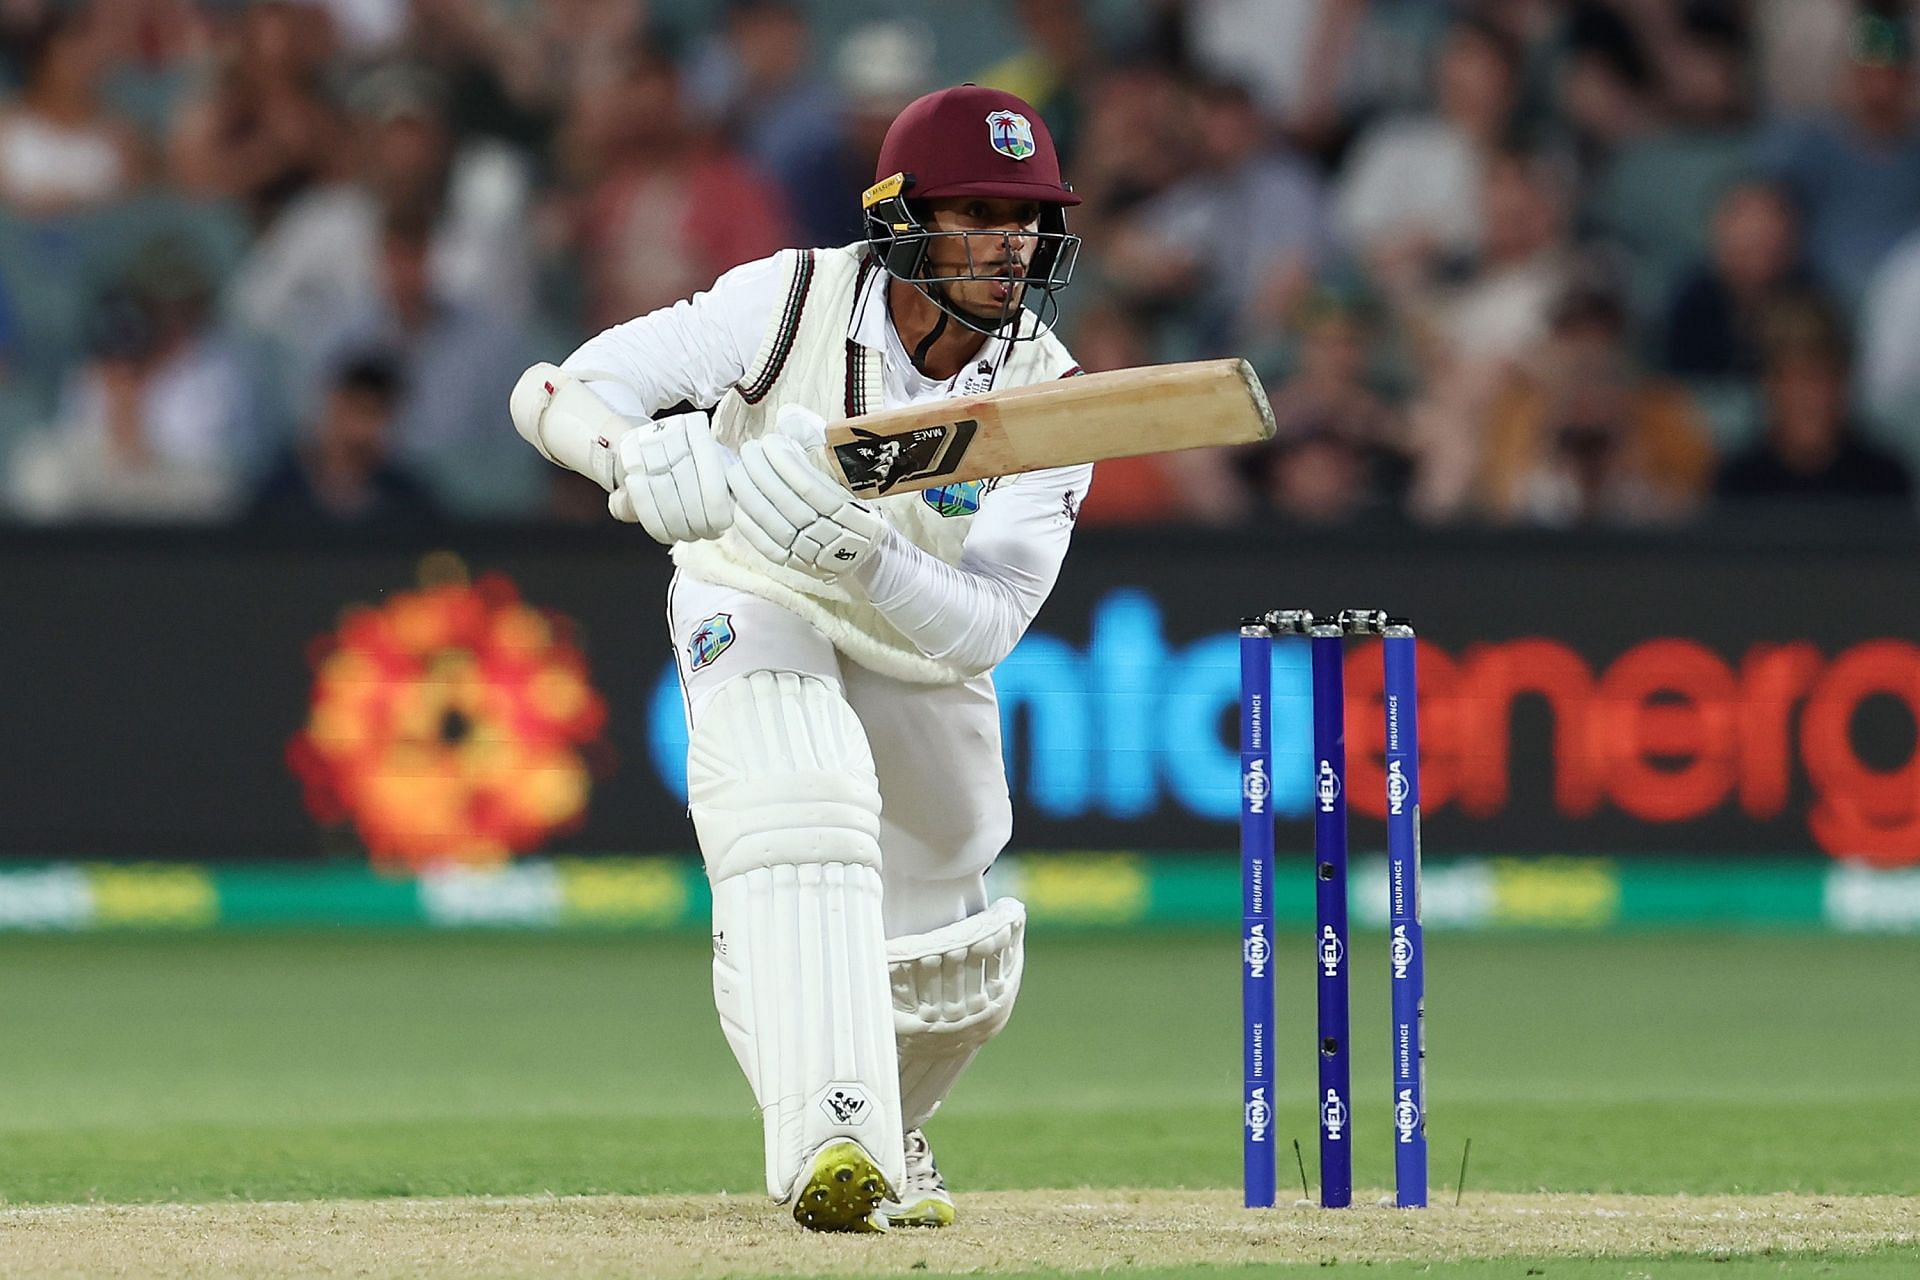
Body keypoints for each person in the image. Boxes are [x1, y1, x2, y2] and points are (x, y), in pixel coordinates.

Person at [509, 86, 1084, 1233]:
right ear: (902, 216)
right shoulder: (791, 299)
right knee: (798, 793)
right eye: (977, 211)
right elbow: (556, 389)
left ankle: (885, 1112)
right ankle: (836, 1136)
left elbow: (989, 626)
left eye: (1025, 217)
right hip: (753, 587)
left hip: (914, 638)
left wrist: (866, 558)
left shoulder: (1050, 390)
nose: (1008, 243)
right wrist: (636, 457)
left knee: (953, 971)